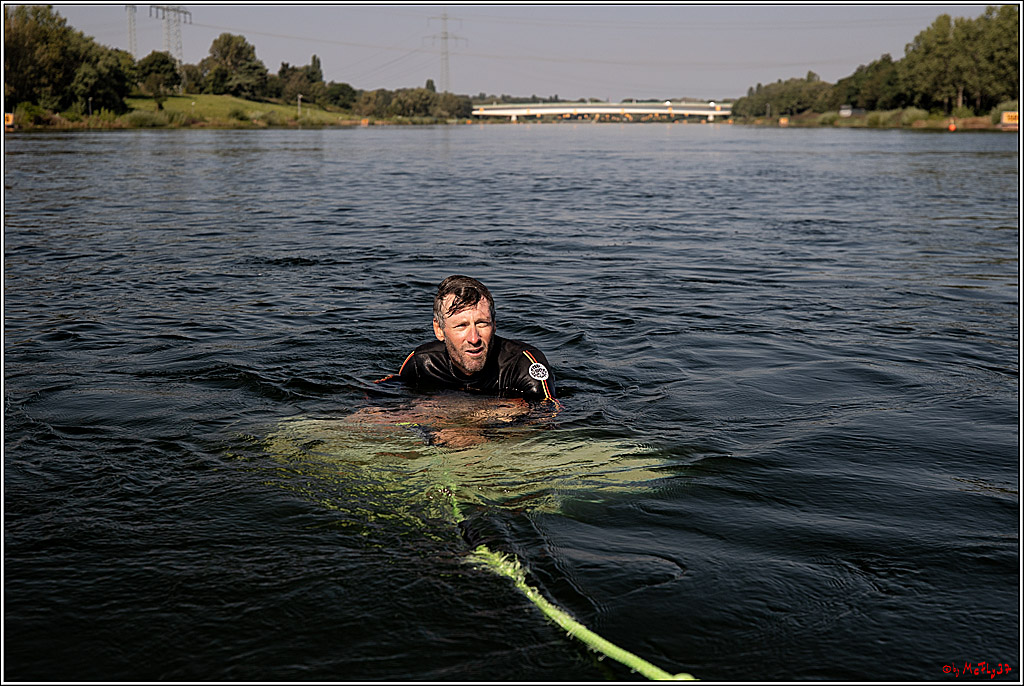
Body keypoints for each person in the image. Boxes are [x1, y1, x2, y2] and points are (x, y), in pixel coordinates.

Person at [395, 275, 556, 402]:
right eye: (461, 326)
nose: (474, 338)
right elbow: (383, 399)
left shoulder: (524, 365)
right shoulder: (423, 363)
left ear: (494, 324)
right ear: (439, 330)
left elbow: (546, 420)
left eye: (482, 324)